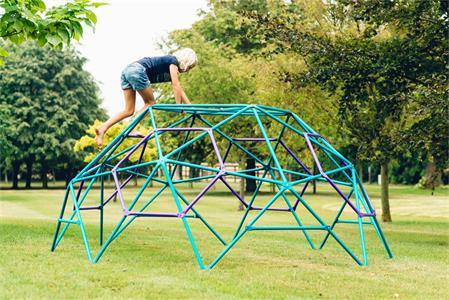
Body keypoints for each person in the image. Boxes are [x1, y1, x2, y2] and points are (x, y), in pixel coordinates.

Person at [95, 48, 197, 146]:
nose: (188, 70)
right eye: (190, 66)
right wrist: (179, 106)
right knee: (151, 103)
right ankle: (132, 128)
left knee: (128, 110)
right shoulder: (173, 61)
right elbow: (176, 85)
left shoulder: (172, 67)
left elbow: (180, 89)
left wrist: (190, 107)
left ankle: (103, 128)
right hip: (137, 70)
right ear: (185, 61)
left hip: (127, 71)